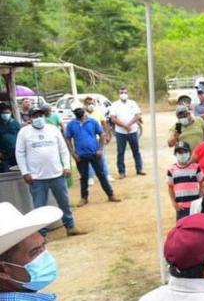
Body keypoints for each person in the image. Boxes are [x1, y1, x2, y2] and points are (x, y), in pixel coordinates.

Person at [15, 107, 84, 236]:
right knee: (40, 207)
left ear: (44, 116)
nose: (38, 119)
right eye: (35, 116)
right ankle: (42, 233)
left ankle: (70, 226)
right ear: (30, 118)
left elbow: (63, 149)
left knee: (64, 202)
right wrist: (25, 172)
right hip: (36, 177)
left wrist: (66, 166)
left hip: (57, 174)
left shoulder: (53, 129)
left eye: (40, 115)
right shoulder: (24, 132)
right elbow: (20, 153)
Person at [65, 101, 120, 207]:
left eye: (79, 110)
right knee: (83, 177)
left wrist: (100, 149)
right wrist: (73, 153)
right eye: (76, 111)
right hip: (80, 155)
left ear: (83, 109)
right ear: (73, 112)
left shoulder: (93, 122)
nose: (78, 112)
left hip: (95, 153)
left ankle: (111, 195)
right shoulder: (71, 124)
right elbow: (68, 138)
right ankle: (84, 198)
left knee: (102, 175)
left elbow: (101, 135)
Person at [109, 86, 145, 178]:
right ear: (119, 94)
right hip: (120, 133)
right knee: (120, 152)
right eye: (121, 93)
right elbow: (113, 119)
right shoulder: (115, 105)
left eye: (125, 92)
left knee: (136, 151)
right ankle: (121, 172)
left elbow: (137, 115)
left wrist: (129, 125)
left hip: (132, 131)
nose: (123, 94)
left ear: (127, 93)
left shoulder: (133, 103)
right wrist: (124, 126)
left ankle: (139, 169)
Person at [167, 142, 203, 221]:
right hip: (181, 207)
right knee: (183, 229)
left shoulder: (196, 167)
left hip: (195, 205)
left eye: (185, 152)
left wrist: (200, 200)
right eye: (179, 152)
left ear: (189, 153)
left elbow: (202, 183)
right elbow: (170, 187)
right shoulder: (171, 169)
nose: (182, 154)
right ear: (175, 154)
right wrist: (174, 203)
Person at [83, 95, 113, 185]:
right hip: (88, 140)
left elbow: (104, 123)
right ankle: (90, 177)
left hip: (99, 139)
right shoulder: (83, 114)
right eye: (88, 103)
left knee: (102, 158)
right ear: (85, 104)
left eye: (92, 103)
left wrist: (107, 134)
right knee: (89, 159)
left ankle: (107, 175)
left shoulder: (98, 112)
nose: (91, 105)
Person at [0, 102, 21, 172]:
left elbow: (20, 135)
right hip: (4, 152)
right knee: (5, 170)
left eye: (7, 112)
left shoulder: (15, 123)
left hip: (15, 150)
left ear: (11, 112)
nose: (6, 114)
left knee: (17, 168)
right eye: (4, 113)